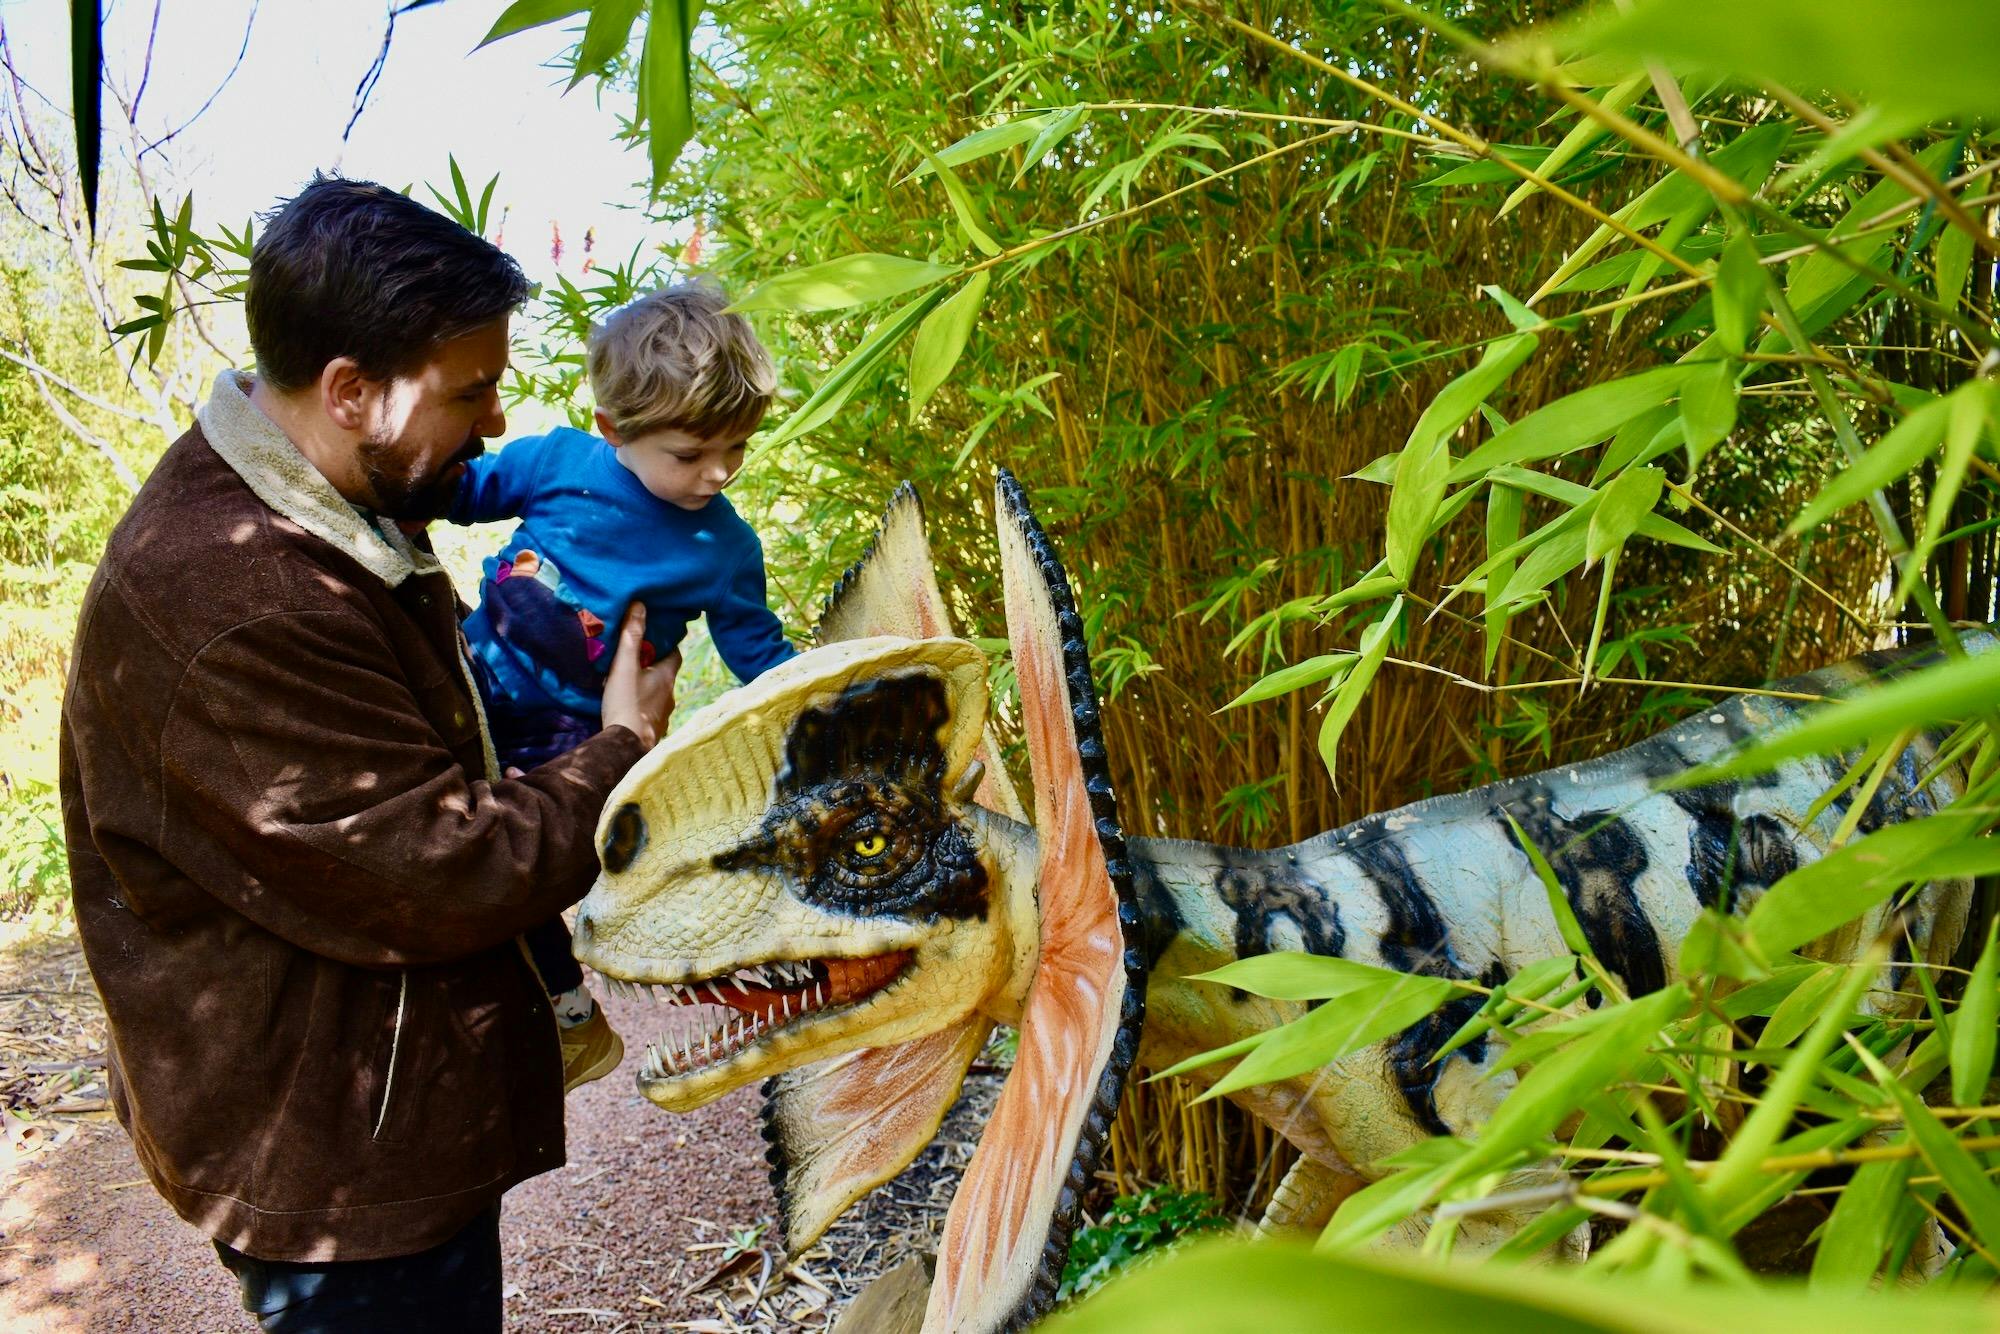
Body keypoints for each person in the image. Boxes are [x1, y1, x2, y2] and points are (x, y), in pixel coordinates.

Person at [58, 175, 679, 1332]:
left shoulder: (330, 501)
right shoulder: (240, 596)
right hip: (333, 1147)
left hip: (368, 1092)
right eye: (471, 387)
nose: (496, 419)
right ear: (349, 390)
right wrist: (619, 746)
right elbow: (441, 867)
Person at [443, 282, 796, 1088]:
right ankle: (542, 1017)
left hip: (575, 738)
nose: (718, 473)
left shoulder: (723, 547)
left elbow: (755, 649)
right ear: (613, 429)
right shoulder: (560, 464)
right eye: (692, 454)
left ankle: (572, 1018)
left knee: (517, 873)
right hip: (466, 685)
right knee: (445, 857)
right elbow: (458, 493)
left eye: (738, 448)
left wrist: (819, 697)